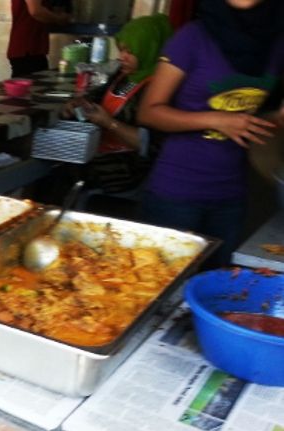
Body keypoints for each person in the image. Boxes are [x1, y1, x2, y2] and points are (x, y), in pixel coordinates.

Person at [138, 0, 284, 267]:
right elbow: (148, 112)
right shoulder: (193, 37)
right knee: (164, 291)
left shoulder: (276, 44)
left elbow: (260, 120)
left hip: (232, 193)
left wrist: (275, 118)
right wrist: (216, 120)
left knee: (213, 286)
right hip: (176, 191)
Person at [52, 14, 173, 200]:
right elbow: (97, 96)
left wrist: (108, 123)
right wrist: (80, 103)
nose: (122, 57)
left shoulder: (159, 89)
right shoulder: (123, 76)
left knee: (52, 177)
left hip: (125, 170)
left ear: (149, 49)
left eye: (130, 52)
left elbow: (151, 145)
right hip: (98, 152)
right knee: (49, 162)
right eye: (121, 50)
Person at [7, 0, 71, 77]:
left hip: (32, 49)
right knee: (34, 85)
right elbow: (36, 11)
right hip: (27, 49)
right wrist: (59, 19)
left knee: (39, 84)